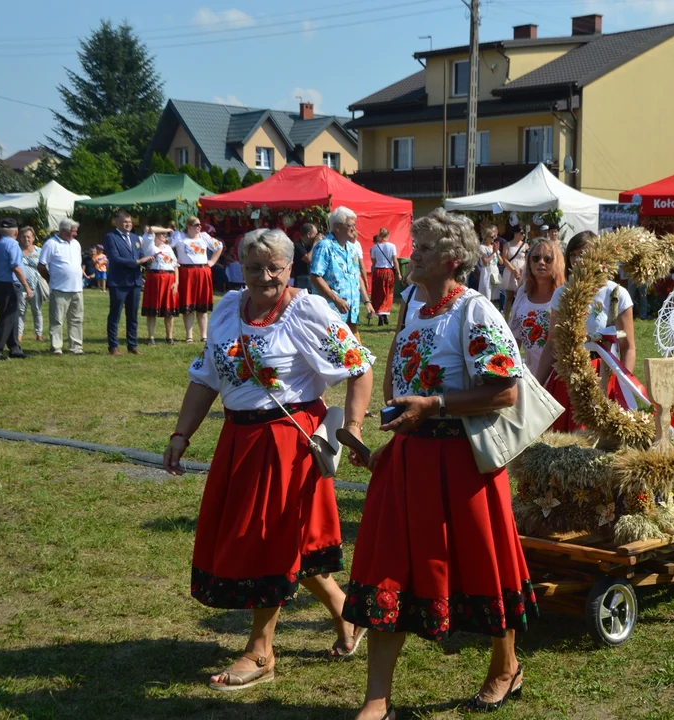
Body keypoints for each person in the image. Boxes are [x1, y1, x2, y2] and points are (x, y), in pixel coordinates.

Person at [344, 209, 538, 720]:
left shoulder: (475, 311)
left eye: (425, 248)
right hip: (410, 461)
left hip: (462, 463)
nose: (414, 254)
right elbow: (398, 372)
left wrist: (434, 406)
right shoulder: (415, 307)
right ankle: (377, 700)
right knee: (391, 568)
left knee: (481, 566)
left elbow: (505, 391)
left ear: (452, 259)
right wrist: (395, 423)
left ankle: (505, 666)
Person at [164, 228, 375, 691]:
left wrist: (353, 429)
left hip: (288, 444)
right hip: (238, 439)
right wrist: (182, 434)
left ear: (290, 265)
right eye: (254, 267)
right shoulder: (225, 310)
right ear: (239, 268)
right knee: (287, 540)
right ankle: (347, 614)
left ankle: (260, 651)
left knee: (269, 540)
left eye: (274, 267)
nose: (265, 276)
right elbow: (205, 379)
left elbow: (359, 365)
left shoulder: (307, 309)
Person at [535, 231, 636, 433]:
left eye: (584, 253)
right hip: (568, 373)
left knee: (601, 440)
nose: (578, 260)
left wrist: (624, 388)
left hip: (603, 372)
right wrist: (536, 387)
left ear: (599, 256)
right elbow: (552, 343)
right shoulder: (562, 293)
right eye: (573, 254)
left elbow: (628, 347)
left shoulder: (616, 293)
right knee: (566, 441)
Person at [310, 206, 374, 338]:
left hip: (351, 314)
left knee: (355, 356)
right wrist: (336, 300)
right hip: (331, 315)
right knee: (337, 355)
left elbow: (356, 276)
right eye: (351, 225)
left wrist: (367, 301)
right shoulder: (324, 247)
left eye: (354, 225)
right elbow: (315, 277)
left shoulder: (351, 249)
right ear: (338, 226)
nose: (354, 229)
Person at [509, 239, 565, 379]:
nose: (541, 262)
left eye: (548, 259)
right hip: (530, 376)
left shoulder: (564, 295)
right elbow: (514, 338)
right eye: (535, 258)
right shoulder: (523, 292)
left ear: (557, 263)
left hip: (559, 378)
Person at [0, 218, 32, 361]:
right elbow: (16, 267)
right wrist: (27, 287)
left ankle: (14, 348)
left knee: (10, 318)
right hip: (9, 285)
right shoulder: (13, 245)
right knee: (6, 319)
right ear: (16, 232)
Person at [38, 219, 87, 356]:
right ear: (63, 231)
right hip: (59, 288)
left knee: (77, 319)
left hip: (77, 288)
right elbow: (41, 265)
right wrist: (50, 279)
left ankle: (76, 347)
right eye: (73, 231)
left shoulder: (76, 244)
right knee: (57, 320)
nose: (75, 234)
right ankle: (56, 347)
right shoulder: (51, 244)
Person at [172, 216, 223, 344]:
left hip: (202, 271)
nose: (199, 227)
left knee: (202, 306)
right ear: (189, 226)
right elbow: (166, 246)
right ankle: (189, 335)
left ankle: (204, 335)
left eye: (200, 224)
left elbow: (219, 246)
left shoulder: (204, 237)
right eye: (196, 225)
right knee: (188, 305)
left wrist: (212, 261)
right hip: (186, 272)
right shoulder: (179, 237)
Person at [103, 212, 148, 355]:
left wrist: (147, 260)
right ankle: (113, 346)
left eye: (130, 222)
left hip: (135, 282)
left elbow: (140, 254)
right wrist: (136, 262)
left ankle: (132, 345)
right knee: (115, 315)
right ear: (117, 223)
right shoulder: (111, 237)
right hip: (119, 282)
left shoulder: (135, 238)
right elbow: (115, 258)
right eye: (125, 222)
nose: (128, 224)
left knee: (133, 315)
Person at [142, 226, 181, 345]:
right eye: (162, 234)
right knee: (152, 309)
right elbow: (151, 229)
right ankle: (151, 337)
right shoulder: (150, 246)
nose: (164, 236)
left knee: (169, 310)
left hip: (169, 279)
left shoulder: (168, 248)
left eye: (165, 235)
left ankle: (169, 337)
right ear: (156, 236)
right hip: (155, 278)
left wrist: (176, 282)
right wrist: (166, 229)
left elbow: (175, 266)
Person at [15, 227, 44, 344]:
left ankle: (39, 334)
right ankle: (19, 335)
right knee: (20, 311)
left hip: (36, 285)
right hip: (21, 285)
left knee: (37, 310)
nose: (26, 239)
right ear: (20, 238)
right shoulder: (16, 250)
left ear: (33, 238)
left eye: (29, 237)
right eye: (24, 237)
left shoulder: (39, 251)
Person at [369, 228, 400, 326]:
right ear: (388, 235)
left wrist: (373, 272)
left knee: (378, 294)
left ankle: (380, 316)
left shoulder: (374, 247)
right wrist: (398, 272)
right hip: (388, 271)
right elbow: (395, 261)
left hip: (378, 271)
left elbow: (373, 263)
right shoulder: (392, 246)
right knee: (388, 293)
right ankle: (385, 314)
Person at [500, 225, 529, 319]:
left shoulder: (525, 245)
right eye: (521, 233)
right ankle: (506, 318)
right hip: (510, 271)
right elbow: (504, 259)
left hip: (522, 271)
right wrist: (513, 270)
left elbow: (527, 258)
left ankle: (519, 317)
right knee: (509, 297)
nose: (523, 235)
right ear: (515, 233)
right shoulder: (507, 244)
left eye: (524, 233)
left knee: (521, 296)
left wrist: (520, 270)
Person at [477, 225, 500, 302]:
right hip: (486, 273)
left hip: (495, 273)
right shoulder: (482, 247)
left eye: (494, 236)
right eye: (491, 237)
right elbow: (486, 262)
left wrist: (496, 251)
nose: (493, 238)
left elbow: (501, 262)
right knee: (486, 296)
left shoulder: (494, 247)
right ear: (486, 237)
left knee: (493, 297)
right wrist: (493, 252)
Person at [292, 224, 319, 291]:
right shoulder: (297, 245)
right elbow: (308, 259)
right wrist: (315, 243)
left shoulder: (309, 246)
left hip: (310, 277)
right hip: (301, 278)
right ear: (309, 234)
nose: (316, 237)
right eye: (315, 234)